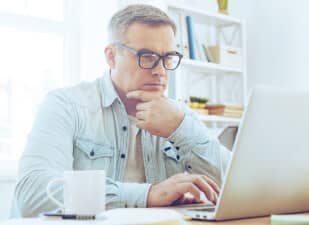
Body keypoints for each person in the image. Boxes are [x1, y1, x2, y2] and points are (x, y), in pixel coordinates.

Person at [11, 4, 231, 217]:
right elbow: (33, 194)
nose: (160, 71)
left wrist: (181, 129)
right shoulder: (65, 106)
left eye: (168, 58)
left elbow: (234, 186)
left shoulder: (179, 117)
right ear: (111, 56)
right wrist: (148, 195)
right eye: (147, 56)